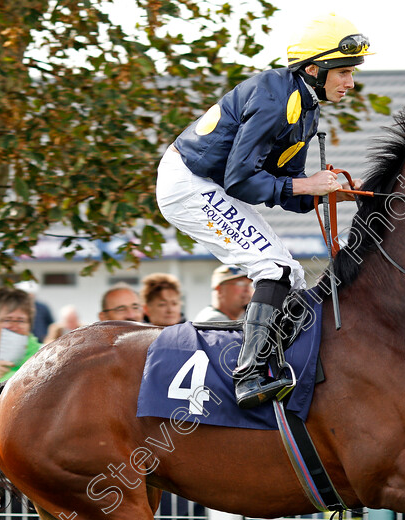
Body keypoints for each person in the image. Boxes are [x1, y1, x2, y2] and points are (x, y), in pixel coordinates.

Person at [156, 13, 369, 408]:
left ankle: (278, 366)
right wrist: (309, 185)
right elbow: (241, 182)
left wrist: (325, 195)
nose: (350, 82)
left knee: (293, 275)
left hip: (210, 183)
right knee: (274, 269)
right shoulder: (275, 100)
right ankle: (249, 376)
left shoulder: (306, 106)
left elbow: (285, 189)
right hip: (188, 183)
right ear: (313, 69)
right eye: (343, 72)